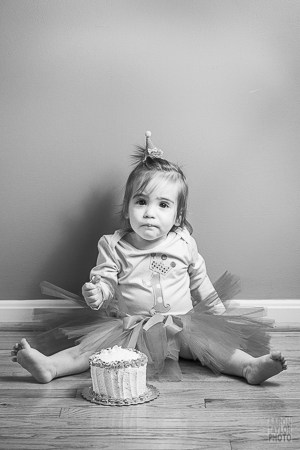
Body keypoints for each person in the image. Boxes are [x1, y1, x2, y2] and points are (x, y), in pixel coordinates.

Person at [11, 131, 287, 385]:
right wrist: (98, 292)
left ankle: (249, 367)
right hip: (131, 328)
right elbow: (105, 280)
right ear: (128, 206)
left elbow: (200, 282)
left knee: (216, 348)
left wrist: (219, 319)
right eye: (141, 201)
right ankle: (51, 367)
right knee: (90, 349)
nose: (149, 212)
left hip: (182, 325)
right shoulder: (114, 244)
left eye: (163, 204)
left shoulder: (183, 242)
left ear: (177, 215)